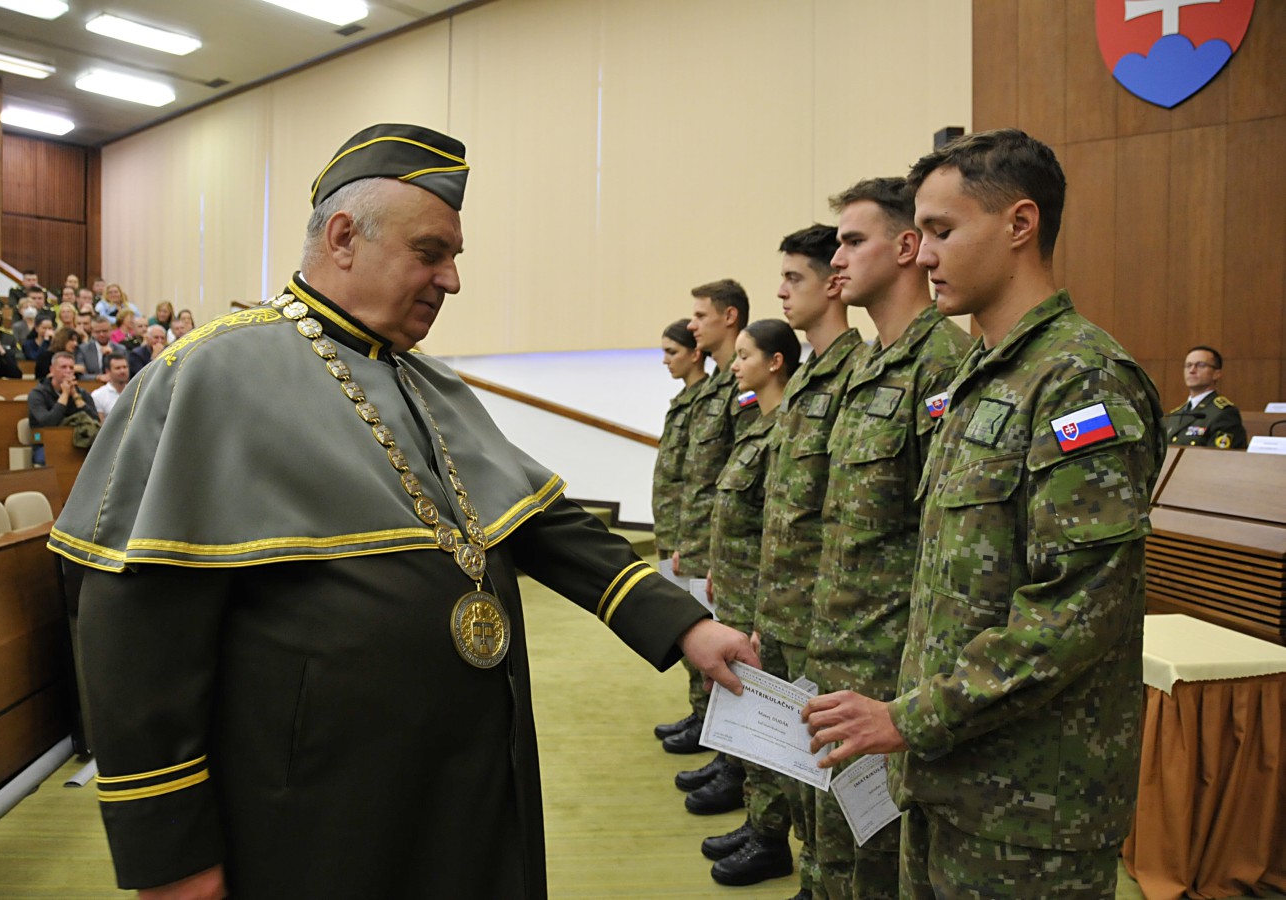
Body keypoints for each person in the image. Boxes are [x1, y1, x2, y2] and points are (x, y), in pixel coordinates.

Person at [48, 122, 758, 899]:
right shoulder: (209, 373)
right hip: (312, 806)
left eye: (453, 256)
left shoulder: (428, 382)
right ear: (343, 238)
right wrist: (170, 855)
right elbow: (136, 630)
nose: (451, 280)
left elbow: (540, 521)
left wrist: (682, 624)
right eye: (430, 252)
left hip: (466, 775)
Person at [802, 129, 1165, 898]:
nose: (924, 255)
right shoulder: (981, 376)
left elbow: (1075, 610)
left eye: (941, 231)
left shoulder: (1079, 380)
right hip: (944, 775)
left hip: (1028, 807)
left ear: (1019, 224)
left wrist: (909, 717)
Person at [805, 178, 970, 900]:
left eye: (851, 241)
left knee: (877, 862)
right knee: (838, 853)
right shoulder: (868, 365)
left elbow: (944, 538)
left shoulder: (943, 365)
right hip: (839, 648)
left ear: (906, 247)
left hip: (890, 669)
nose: (836, 259)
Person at [703, 225, 862, 899]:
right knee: (796, 759)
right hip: (786, 605)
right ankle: (793, 853)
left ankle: (813, 870)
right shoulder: (807, 387)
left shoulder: (856, 377)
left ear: (834, 281)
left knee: (835, 776)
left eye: (794, 278)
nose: (780, 290)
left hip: (840, 618)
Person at [704, 319, 799, 888]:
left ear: (775, 362)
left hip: (767, 599)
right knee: (748, 716)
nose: (735, 366)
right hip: (741, 591)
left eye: (745, 356)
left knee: (769, 719)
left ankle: (771, 836)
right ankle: (759, 822)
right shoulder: (757, 424)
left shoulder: (788, 428)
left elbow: (780, 530)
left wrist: (765, 606)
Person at [663, 279, 756, 765]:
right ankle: (710, 727)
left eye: (700, 316)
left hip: (725, 546)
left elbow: (740, 475)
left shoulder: (741, 389)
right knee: (701, 637)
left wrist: (718, 551)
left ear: (729, 317)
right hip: (701, 537)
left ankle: (728, 751)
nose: (693, 324)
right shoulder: (715, 387)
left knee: (725, 643)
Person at [651, 319, 709, 565]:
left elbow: (699, 477)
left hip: (689, 535)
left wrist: (689, 540)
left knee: (688, 590)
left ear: (695, 354)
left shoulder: (706, 401)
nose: (665, 360)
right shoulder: (681, 400)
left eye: (672, 352)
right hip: (669, 528)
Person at [1164, 345, 1246, 448]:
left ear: (1216, 373)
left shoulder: (1224, 413)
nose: (1192, 370)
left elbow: (1219, 455)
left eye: (1200, 365)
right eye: (1188, 365)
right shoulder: (1175, 414)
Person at [29, 351, 98, 428]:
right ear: (52, 370)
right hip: (44, 434)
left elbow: (96, 421)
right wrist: (65, 394)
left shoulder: (82, 393)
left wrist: (75, 395)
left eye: (71, 368)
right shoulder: (38, 394)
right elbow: (48, 422)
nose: (68, 371)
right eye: (63, 367)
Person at [91, 354, 129, 423]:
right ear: (108, 371)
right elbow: (100, 425)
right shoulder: (98, 395)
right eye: (118, 368)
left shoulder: (136, 391)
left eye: (125, 367)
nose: (122, 371)